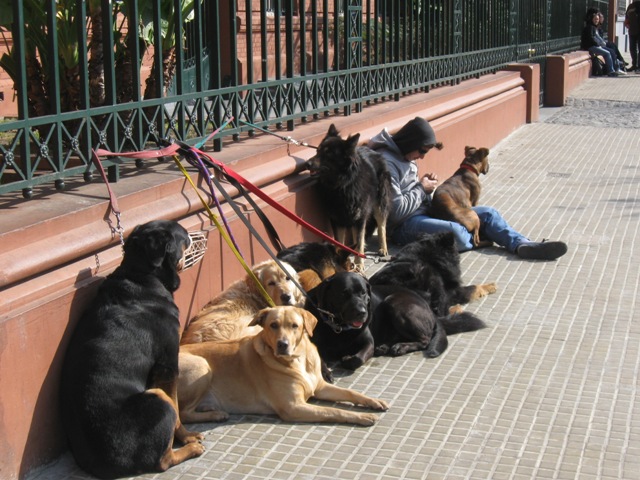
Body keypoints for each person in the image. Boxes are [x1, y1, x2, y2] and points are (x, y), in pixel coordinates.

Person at [366, 117, 568, 261]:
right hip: (403, 226)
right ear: (411, 143)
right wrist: (422, 189)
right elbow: (393, 211)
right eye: (422, 151)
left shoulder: (407, 157)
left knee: (488, 214)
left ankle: (522, 244)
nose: (422, 156)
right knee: (458, 234)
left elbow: (413, 190)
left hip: (425, 212)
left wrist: (424, 185)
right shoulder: (387, 163)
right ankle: (485, 235)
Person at [581, 10, 625, 76]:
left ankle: (616, 68)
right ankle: (610, 71)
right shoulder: (589, 28)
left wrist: (600, 44)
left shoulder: (594, 27)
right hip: (590, 47)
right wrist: (598, 44)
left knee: (611, 50)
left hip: (596, 46)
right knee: (607, 53)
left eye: (598, 19)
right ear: (591, 19)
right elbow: (591, 38)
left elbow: (598, 38)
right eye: (595, 19)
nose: (596, 21)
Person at [625, 0, 640, 71]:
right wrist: (627, 24)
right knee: (632, 49)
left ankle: (639, 66)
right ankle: (634, 65)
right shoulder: (631, 6)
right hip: (632, 30)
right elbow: (626, 17)